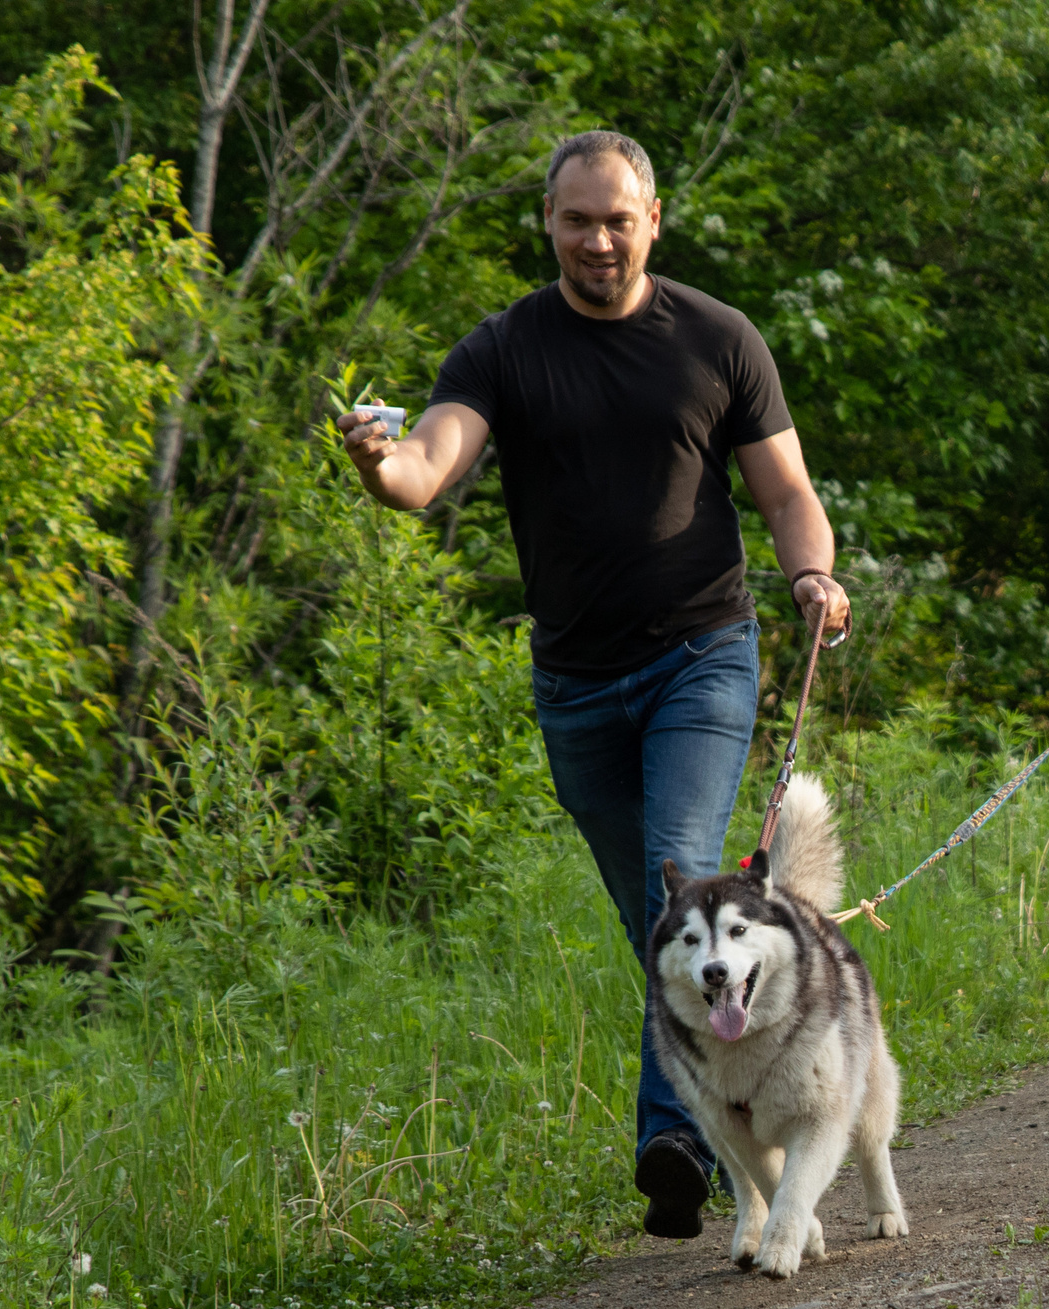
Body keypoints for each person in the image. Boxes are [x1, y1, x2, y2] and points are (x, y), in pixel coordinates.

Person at [335, 129, 851, 1240]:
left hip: (701, 654)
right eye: (577, 221)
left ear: (651, 220)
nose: (598, 240)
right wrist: (378, 460)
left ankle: (671, 1136)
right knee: (656, 926)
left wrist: (811, 571)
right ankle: (726, 1103)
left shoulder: (718, 338)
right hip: (575, 686)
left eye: (617, 220)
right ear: (550, 226)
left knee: (681, 860)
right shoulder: (504, 350)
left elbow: (788, 491)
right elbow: (424, 470)